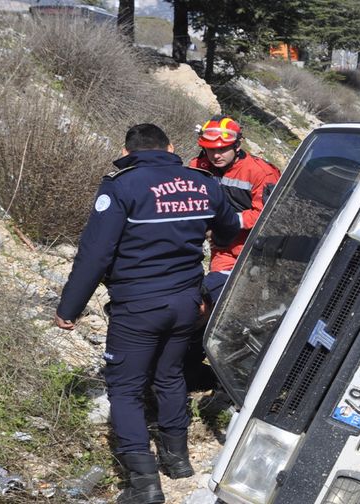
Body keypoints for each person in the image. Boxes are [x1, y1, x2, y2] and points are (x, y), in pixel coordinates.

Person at [55, 124, 240, 504]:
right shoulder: (203, 183)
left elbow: (95, 254)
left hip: (139, 305)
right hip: (186, 303)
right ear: (170, 148)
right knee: (169, 375)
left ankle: (144, 485)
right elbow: (228, 228)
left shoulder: (121, 186)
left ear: (127, 153)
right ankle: (178, 461)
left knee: (125, 388)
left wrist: (69, 308)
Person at [185, 116, 280, 392]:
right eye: (210, 149)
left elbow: (271, 214)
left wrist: (227, 222)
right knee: (209, 306)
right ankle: (190, 367)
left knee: (226, 311)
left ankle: (230, 374)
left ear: (237, 145)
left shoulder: (260, 173)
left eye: (222, 149)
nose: (216, 155)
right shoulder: (197, 166)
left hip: (256, 255)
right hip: (222, 252)